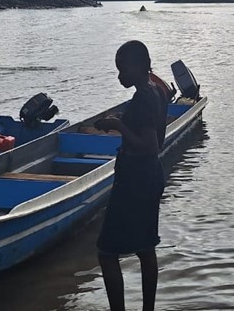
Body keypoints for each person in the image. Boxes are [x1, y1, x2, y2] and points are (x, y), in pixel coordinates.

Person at [93, 40, 168, 311]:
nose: (119, 76)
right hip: (151, 176)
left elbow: (149, 145)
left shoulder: (143, 97)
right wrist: (124, 120)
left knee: (107, 252)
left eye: (122, 69)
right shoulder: (157, 91)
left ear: (137, 67)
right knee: (146, 248)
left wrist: (117, 125)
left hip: (135, 180)